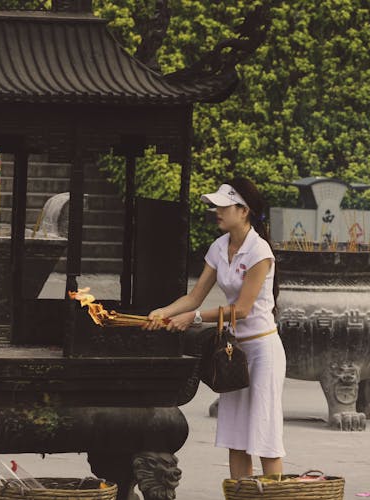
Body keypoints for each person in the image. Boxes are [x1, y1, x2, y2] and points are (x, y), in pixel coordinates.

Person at [144, 177, 286, 479]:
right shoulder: (220, 246)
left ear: (243, 211)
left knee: (264, 437)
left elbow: (242, 310)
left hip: (262, 351)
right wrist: (164, 312)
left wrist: (193, 318)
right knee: (236, 438)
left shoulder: (259, 252)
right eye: (215, 207)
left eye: (223, 207)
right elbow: (195, 296)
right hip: (233, 351)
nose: (216, 212)